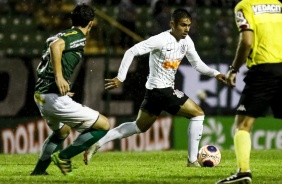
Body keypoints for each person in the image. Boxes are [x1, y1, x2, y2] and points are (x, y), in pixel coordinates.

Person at [83, 8, 226, 167]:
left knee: (138, 126)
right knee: (198, 114)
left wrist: (216, 74)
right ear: (172, 24)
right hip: (161, 91)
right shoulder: (160, 40)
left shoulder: (186, 41)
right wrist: (120, 77)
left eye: (188, 25)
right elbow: (131, 51)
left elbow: (197, 64)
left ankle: (98, 142)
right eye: (183, 25)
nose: (186, 29)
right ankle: (192, 160)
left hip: (153, 93)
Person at [30, 4, 110, 176]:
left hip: (42, 95)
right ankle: (64, 157)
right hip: (53, 98)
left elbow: (51, 52)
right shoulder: (77, 36)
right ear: (90, 23)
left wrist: (58, 82)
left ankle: (38, 172)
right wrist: (59, 78)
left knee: (63, 131)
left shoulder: (60, 34)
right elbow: (55, 47)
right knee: (104, 125)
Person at [216, 0, 282, 183]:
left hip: (264, 69)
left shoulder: (245, 6)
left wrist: (234, 69)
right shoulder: (278, 4)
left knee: (242, 125)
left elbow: (246, 42)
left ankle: (243, 171)